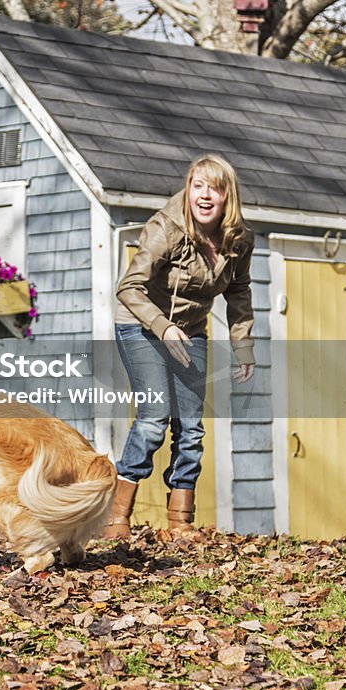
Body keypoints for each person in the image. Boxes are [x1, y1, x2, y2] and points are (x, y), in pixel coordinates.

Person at [103, 153, 255, 538]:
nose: (204, 195)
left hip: (189, 333)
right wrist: (162, 326)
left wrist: (243, 348)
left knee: (190, 428)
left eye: (214, 188)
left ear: (227, 197)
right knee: (154, 416)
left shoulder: (238, 240)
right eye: (197, 186)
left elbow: (238, 293)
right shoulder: (165, 228)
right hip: (141, 326)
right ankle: (116, 516)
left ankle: (180, 522)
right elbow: (128, 287)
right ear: (188, 189)